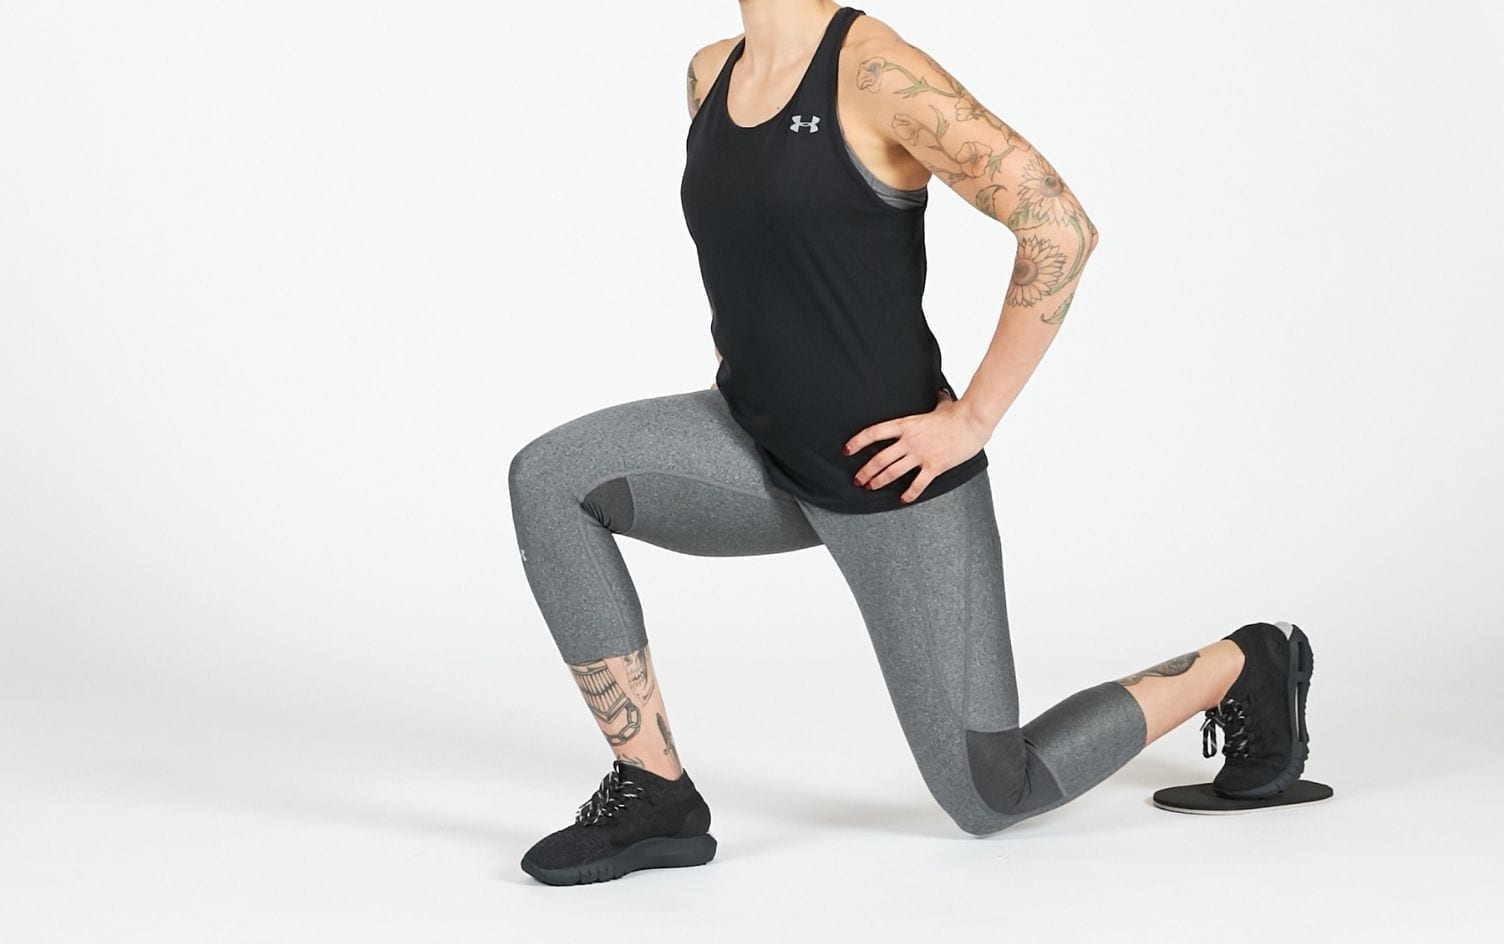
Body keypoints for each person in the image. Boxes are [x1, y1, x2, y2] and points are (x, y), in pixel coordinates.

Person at [507, 1, 1314, 886]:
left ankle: (1246, 662)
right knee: (551, 478)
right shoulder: (709, 73)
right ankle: (654, 792)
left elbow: (1059, 226)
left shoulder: (876, 73)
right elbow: (760, 249)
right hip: (753, 443)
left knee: (991, 793)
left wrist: (971, 420)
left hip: (889, 476)